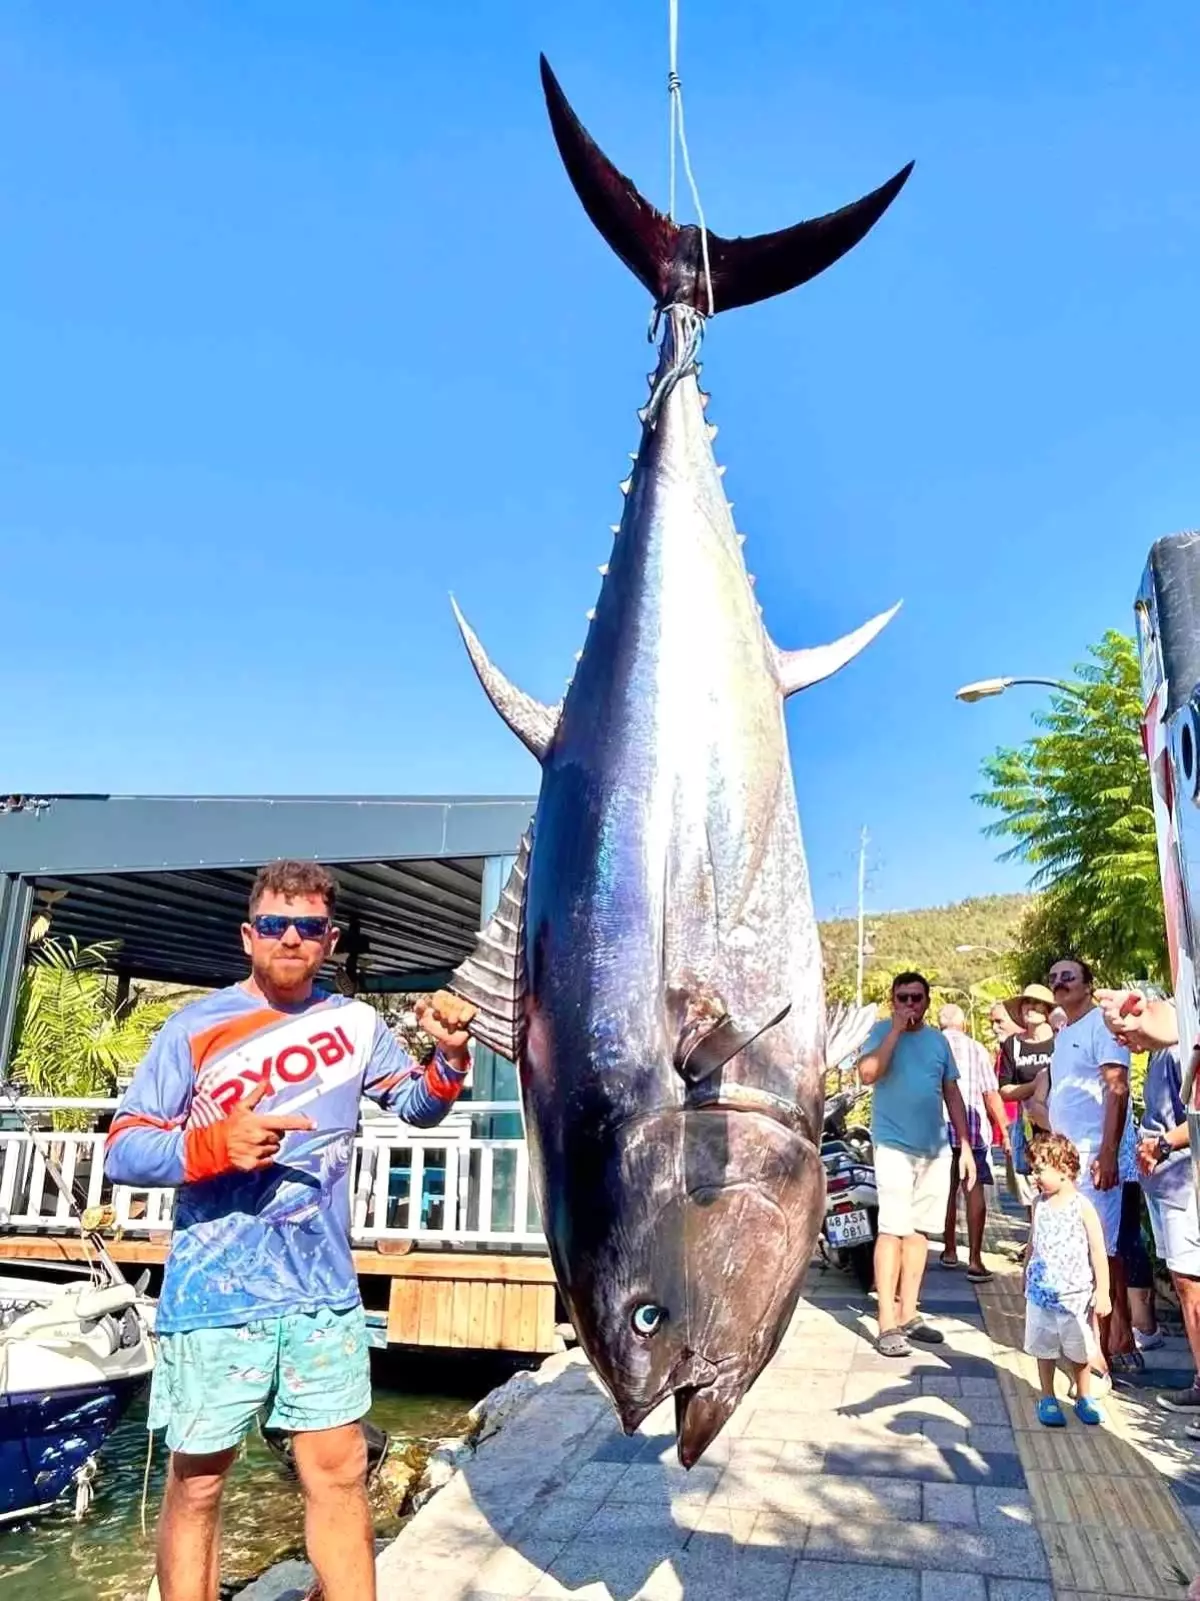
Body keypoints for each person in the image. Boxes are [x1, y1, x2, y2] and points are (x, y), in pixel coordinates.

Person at [104, 860, 477, 1601]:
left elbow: (413, 1105)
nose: (291, 939)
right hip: (216, 1293)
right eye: (275, 924)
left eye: (308, 927)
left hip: (322, 1291)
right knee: (202, 1477)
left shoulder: (355, 1024)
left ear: (328, 940)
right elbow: (123, 1145)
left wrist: (450, 1058)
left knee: (338, 1469)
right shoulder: (194, 1027)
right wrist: (214, 1146)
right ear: (249, 935)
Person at [1094, 988, 1200, 1418]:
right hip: (1165, 1185)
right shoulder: (1161, 1056)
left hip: (1181, 1185)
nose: (1124, 1041)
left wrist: (1161, 1144)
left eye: (1127, 1029)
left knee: (1191, 1287)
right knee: (1184, 1282)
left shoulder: (1179, 1052)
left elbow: (1194, 1118)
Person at [858, 972, 976, 1357]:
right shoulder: (879, 1032)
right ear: (893, 1000)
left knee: (919, 1233)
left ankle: (909, 1313)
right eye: (902, 998)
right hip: (892, 1145)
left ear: (927, 1002)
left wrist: (965, 1144)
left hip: (934, 1149)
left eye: (916, 998)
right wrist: (894, 1031)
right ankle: (887, 1321)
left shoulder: (938, 1041)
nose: (909, 1004)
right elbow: (868, 1074)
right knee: (892, 1229)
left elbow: (952, 1092)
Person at [1045, 956, 1131, 1373]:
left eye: (1068, 977)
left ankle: (1105, 1351)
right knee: (1077, 1252)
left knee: (1104, 1252)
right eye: (1054, 979)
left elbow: (1117, 1089)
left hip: (1096, 1159)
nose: (1060, 984)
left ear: (1088, 984)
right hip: (1066, 1162)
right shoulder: (1065, 1033)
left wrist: (1109, 1152)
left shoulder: (1102, 1025)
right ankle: (1084, 1344)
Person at [1023, 1132, 1111, 1427]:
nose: (1034, 1177)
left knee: (1079, 1349)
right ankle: (1047, 1396)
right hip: (1041, 1294)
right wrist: (1026, 1274)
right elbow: (1033, 1243)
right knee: (1043, 1347)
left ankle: (1084, 1394)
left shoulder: (1082, 1206)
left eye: (1039, 1170)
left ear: (1063, 1169)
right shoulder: (1039, 1205)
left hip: (1075, 1296)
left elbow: (1098, 1249)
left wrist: (1104, 1291)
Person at [937, 1003, 1010, 1283]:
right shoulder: (976, 1048)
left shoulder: (932, 1046)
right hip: (973, 1130)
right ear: (963, 1024)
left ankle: (949, 1249)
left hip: (938, 1130)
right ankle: (976, 1259)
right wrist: (1004, 1128)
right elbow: (990, 1093)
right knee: (973, 1188)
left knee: (946, 1189)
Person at [998, 984, 1057, 1211]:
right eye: (1026, 1003)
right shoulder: (1013, 1045)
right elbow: (1004, 1090)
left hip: (1060, 1124)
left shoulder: (1060, 1039)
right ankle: (1036, 1238)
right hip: (1030, 1128)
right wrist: (1035, 1085)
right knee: (1035, 1186)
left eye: (1036, 1003)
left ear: (1048, 1010)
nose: (1030, 1008)